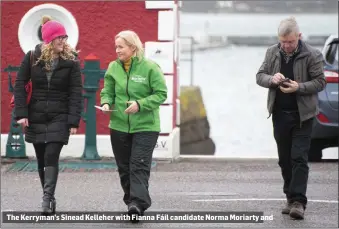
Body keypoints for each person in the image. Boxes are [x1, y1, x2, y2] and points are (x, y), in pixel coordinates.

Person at [256, 16, 326, 220]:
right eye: (283, 42)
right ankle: (289, 197)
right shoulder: (272, 52)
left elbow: (320, 82)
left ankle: (298, 202)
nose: (286, 46)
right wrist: (272, 79)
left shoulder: (312, 54)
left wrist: (299, 87)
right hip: (279, 114)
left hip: (303, 116)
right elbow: (260, 76)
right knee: (284, 160)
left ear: (299, 37)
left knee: (299, 158)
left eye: (290, 42)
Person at [14, 15, 83, 215]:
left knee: (52, 155)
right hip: (36, 116)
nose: (63, 41)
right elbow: (20, 85)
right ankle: (50, 196)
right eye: (59, 37)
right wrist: (22, 114)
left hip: (59, 117)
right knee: (42, 159)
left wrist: (73, 120)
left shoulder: (71, 62)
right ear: (49, 40)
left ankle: (45, 200)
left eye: (64, 37)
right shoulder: (31, 57)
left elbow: (75, 93)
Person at [100, 30, 167, 222]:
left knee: (138, 165)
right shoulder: (113, 67)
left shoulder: (150, 68)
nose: (117, 50)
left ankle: (137, 203)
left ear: (133, 47)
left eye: (120, 47)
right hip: (119, 126)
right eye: (116, 47)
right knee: (124, 167)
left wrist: (140, 104)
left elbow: (161, 94)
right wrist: (106, 103)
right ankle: (132, 201)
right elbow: (107, 91)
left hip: (146, 126)